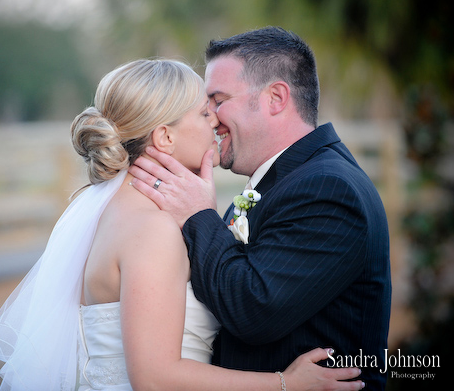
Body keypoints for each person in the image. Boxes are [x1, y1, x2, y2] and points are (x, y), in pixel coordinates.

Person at [0, 58, 365, 390]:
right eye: (201, 111)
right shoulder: (152, 230)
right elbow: (154, 377)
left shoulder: (118, 208)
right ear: (163, 136)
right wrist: (283, 383)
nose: (214, 118)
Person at [129, 27, 391, 390]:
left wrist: (198, 216)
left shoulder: (329, 188)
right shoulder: (288, 179)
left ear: (276, 98)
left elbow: (252, 309)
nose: (212, 117)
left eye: (218, 100)